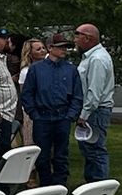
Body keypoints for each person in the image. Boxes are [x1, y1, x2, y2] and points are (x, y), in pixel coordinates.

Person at [20, 33, 82, 186]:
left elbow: (77, 95)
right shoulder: (36, 69)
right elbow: (27, 94)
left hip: (62, 117)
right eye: (60, 47)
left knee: (61, 155)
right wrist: (34, 114)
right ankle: (45, 185)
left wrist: (70, 115)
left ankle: (60, 185)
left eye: (65, 47)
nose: (64, 50)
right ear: (50, 48)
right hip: (42, 117)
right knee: (42, 156)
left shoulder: (71, 70)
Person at [75, 23, 115, 182]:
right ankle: (92, 183)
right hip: (94, 110)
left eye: (77, 35)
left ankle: (99, 185)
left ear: (87, 38)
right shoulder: (92, 57)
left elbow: (94, 91)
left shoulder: (97, 59)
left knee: (95, 149)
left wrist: (84, 115)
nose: (75, 40)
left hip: (95, 111)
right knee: (89, 149)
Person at [16, 38, 45, 146]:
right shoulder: (26, 71)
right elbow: (24, 94)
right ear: (30, 53)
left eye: (43, 48)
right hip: (33, 112)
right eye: (38, 49)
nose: (42, 51)